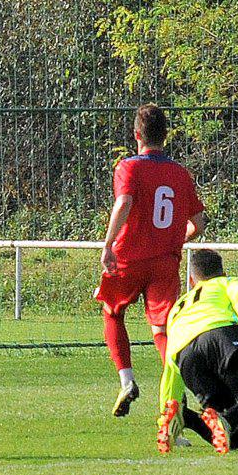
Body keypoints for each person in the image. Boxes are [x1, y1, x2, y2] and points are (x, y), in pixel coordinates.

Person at [95, 104, 206, 417]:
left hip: (129, 257)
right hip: (165, 262)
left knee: (112, 311)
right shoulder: (180, 173)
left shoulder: (128, 167)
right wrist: (175, 238)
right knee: (162, 329)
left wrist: (108, 245)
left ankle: (127, 381)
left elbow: (124, 203)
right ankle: (177, 394)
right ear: (165, 136)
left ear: (136, 135)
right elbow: (198, 224)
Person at [156, 249, 238, 454]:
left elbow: (170, 361)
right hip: (220, 337)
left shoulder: (177, 308)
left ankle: (186, 417)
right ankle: (226, 420)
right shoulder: (227, 282)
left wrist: (167, 408)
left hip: (185, 357)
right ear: (222, 272)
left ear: (192, 281)